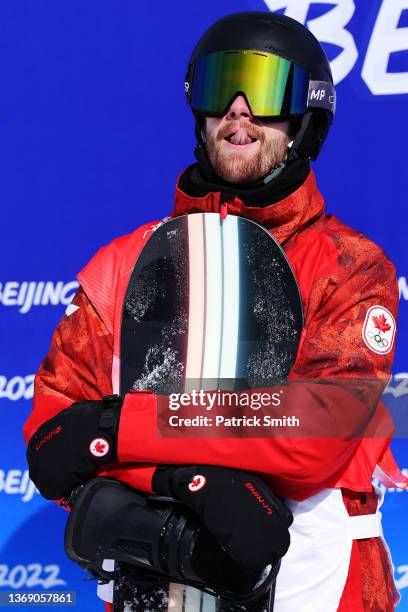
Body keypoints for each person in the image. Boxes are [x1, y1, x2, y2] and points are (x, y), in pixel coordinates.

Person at [23, 11, 406, 612]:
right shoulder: (125, 263)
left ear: (304, 121)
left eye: (265, 89)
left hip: (319, 582)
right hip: (157, 577)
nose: (238, 109)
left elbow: (313, 431)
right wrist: (184, 483)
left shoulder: (348, 266)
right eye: (219, 87)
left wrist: (118, 429)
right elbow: (53, 440)